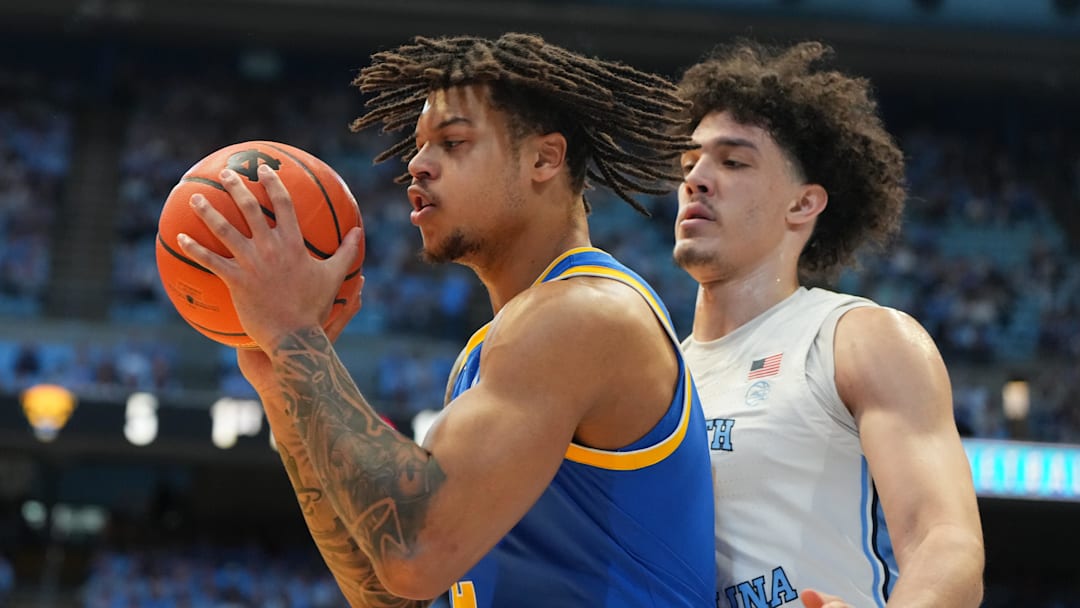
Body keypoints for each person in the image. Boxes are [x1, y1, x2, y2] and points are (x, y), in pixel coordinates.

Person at [178, 33, 716, 607]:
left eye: (452, 143)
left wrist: (294, 336)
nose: (417, 164)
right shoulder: (494, 350)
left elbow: (413, 553)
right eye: (418, 146)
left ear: (543, 158)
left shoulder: (584, 316)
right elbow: (387, 593)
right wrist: (284, 386)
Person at [670, 41, 985, 608]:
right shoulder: (657, 371)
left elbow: (947, 542)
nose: (697, 180)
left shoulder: (858, 338)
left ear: (803, 204)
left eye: (733, 162)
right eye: (689, 163)